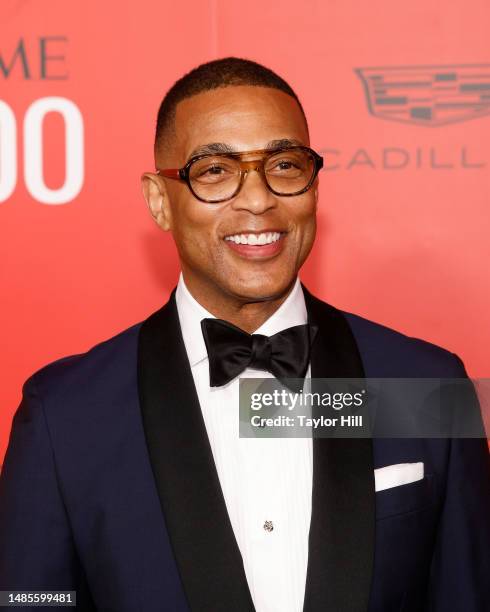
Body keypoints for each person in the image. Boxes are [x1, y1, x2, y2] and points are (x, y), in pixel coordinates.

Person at [0, 57, 489, 612]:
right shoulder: (65, 416)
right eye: (214, 171)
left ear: (314, 185)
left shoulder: (424, 384)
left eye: (284, 164)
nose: (258, 199)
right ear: (160, 200)